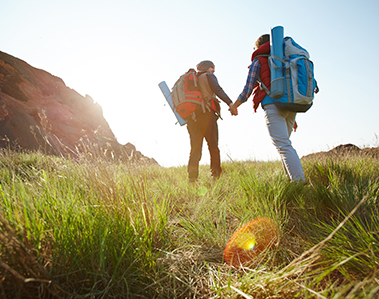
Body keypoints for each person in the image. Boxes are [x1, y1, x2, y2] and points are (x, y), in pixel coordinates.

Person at [229, 34, 305, 181]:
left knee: (283, 146)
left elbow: (247, 89)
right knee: (285, 146)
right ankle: (291, 181)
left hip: (273, 105)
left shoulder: (258, 61)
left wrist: (234, 106)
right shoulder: (286, 59)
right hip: (291, 106)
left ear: (258, 47)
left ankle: (299, 183)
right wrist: (292, 115)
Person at [187, 60, 236, 183]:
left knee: (195, 149)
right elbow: (218, 90)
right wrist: (230, 103)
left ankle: (192, 179)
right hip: (207, 116)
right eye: (212, 68)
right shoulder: (208, 76)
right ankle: (216, 176)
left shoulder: (192, 79)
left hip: (192, 118)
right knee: (213, 147)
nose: (213, 70)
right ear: (207, 68)